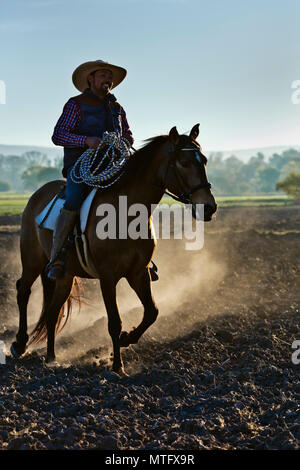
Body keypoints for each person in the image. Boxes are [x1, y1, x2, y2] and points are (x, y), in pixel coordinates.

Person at [48, 60, 134, 280]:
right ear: (91, 79)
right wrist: (86, 140)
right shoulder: (75, 104)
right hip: (81, 165)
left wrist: (123, 140)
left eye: (110, 77)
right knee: (74, 198)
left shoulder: (117, 108)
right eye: (103, 75)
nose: (108, 80)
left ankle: (139, 255)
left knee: (134, 194)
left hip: (112, 164)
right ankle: (57, 256)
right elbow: (58, 135)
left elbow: (128, 134)